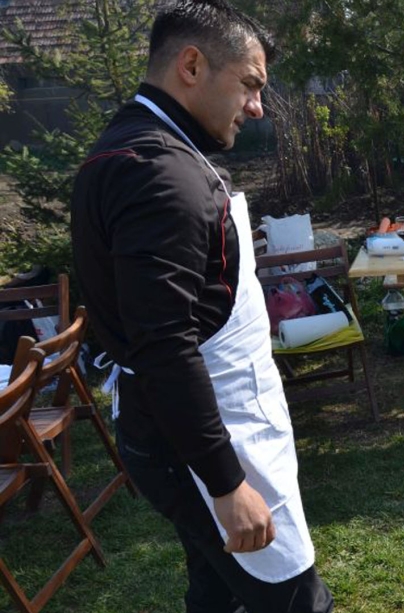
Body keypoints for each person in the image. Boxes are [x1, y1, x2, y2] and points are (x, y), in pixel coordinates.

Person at [69, 2, 333, 611]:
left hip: (178, 428)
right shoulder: (159, 174)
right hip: (205, 440)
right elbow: (162, 343)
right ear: (191, 65)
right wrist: (226, 481)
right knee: (295, 599)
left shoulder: (130, 147)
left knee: (217, 593)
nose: (257, 106)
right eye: (250, 84)